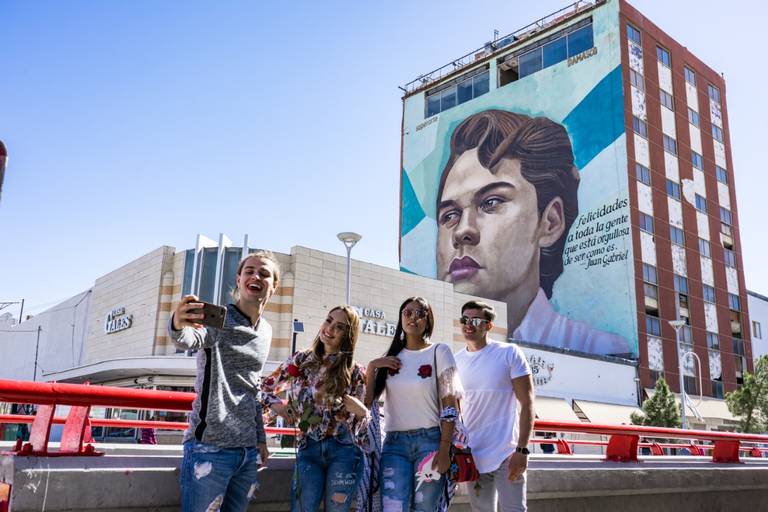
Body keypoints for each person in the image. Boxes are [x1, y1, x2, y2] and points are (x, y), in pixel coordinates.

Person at [435, 109, 630, 357]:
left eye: (491, 202)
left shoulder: (601, 351)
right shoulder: (429, 351)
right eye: (449, 215)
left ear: (550, 221)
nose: (462, 231)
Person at [169, 250, 279, 512]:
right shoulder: (218, 320)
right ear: (239, 279)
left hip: (247, 452)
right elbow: (186, 339)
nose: (255, 276)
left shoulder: (266, 331)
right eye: (249, 271)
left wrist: (260, 439)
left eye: (264, 273)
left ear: (274, 286)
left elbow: (253, 388)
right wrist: (177, 322)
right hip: (210, 449)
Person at [261, 306, 370, 512]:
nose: (329, 329)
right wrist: (279, 407)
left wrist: (362, 411)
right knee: (302, 508)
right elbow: (265, 388)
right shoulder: (301, 361)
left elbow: (364, 424)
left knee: (336, 509)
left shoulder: (355, 372)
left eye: (339, 327)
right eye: (328, 321)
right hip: (308, 446)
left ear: (347, 336)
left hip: (344, 449)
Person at [365, 296, 462, 512]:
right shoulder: (391, 359)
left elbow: (450, 404)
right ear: (401, 318)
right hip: (394, 444)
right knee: (392, 508)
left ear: (428, 320)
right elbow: (367, 404)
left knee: (426, 508)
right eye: (407, 312)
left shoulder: (439, 351)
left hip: (431, 442)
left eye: (420, 313)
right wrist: (372, 368)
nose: (413, 317)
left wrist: (445, 448)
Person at [454, 300, 534, 512]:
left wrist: (522, 450)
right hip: (474, 456)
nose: (468, 324)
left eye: (475, 320)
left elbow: (527, 403)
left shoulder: (509, 353)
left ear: (488, 326)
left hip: (507, 453)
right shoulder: (455, 361)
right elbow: (454, 410)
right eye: (464, 320)